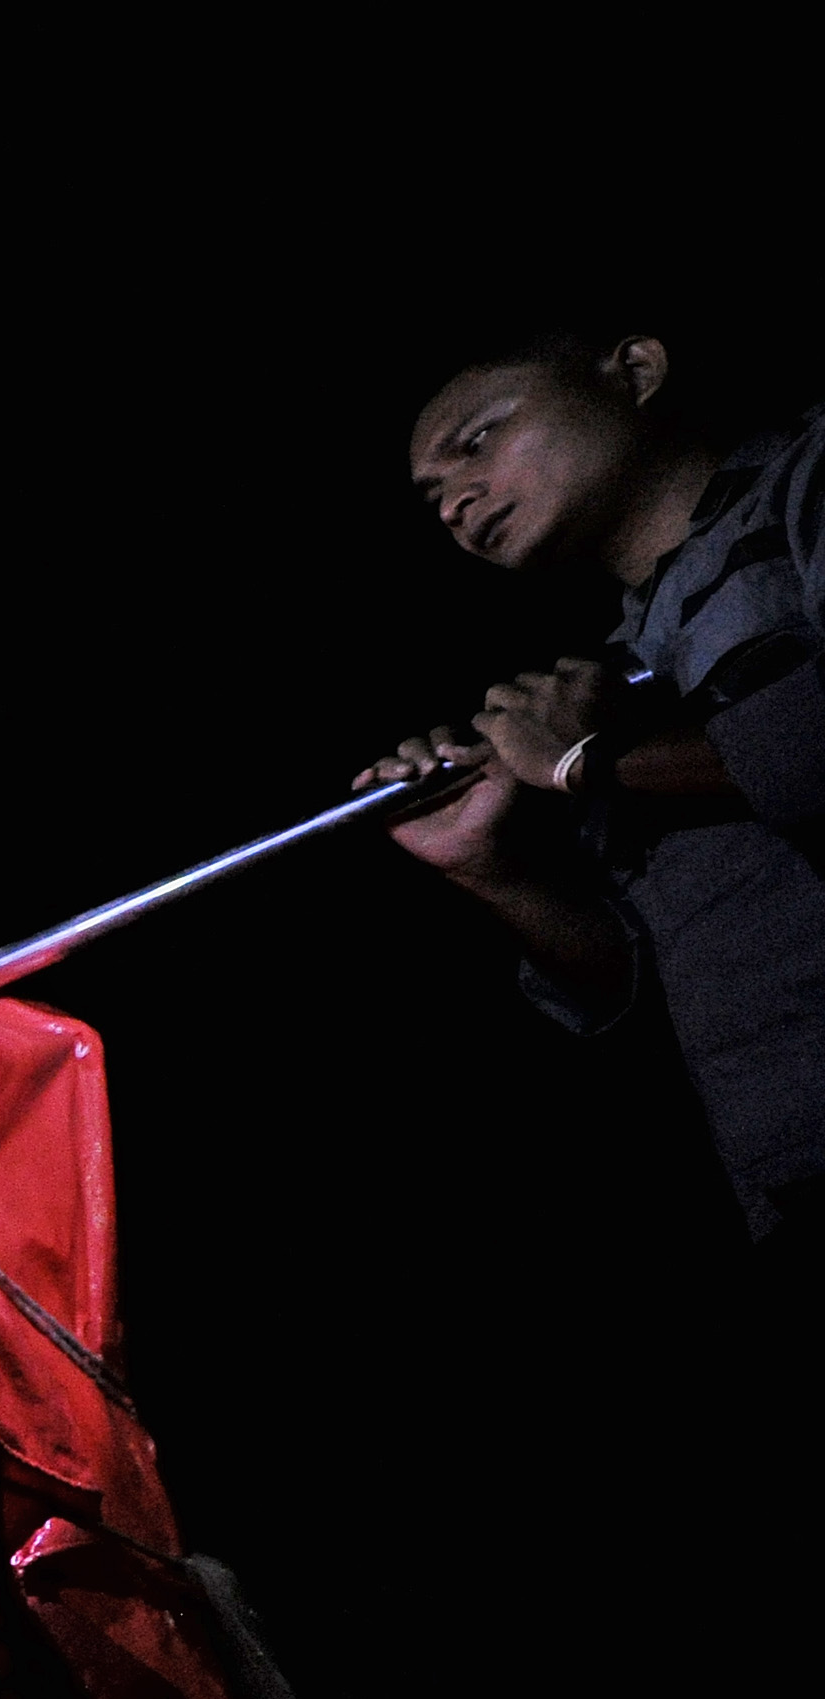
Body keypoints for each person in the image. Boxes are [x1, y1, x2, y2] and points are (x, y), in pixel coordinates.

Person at [359, 332, 823, 1256]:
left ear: (637, 374)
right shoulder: (610, 674)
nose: (454, 501)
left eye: (479, 440)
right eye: (431, 495)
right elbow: (642, 998)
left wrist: (587, 762)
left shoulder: (806, 485)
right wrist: (491, 869)